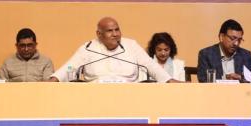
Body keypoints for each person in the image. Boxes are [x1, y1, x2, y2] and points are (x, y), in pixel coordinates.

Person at [49, 17, 178, 83]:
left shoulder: (131, 45)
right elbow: (70, 67)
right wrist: (53, 80)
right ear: (99, 34)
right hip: (94, 97)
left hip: (129, 96)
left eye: (117, 29)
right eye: (110, 31)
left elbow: (150, 65)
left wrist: (169, 80)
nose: (115, 34)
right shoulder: (88, 48)